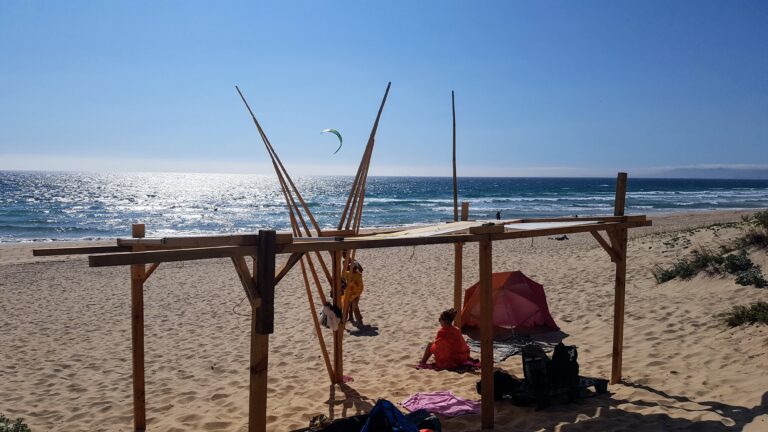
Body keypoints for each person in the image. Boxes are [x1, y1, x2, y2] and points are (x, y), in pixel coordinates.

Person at [341, 257, 364, 326]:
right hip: (350, 293)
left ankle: (359, 322)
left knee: (354, 307)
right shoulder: (347, 273)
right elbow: (343, 275)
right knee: (347, 309)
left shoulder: (358, 275)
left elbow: (359, 285)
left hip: (355, 294)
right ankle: (345, 323)